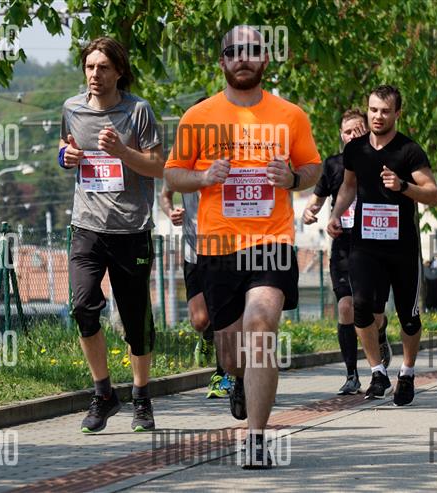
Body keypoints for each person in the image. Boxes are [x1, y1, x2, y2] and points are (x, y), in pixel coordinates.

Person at [164, 25, 322, 468]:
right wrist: (202, 177)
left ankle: (255, 439)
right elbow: (172, 173)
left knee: (261, 324)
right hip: (218, 247)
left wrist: (293, 178)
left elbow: (313, 167)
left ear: (265, 59)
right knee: (232, 354)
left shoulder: (290, 115)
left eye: (252, 50)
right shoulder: (198, 116)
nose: (243, 58)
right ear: (222, 61)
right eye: (234, 51)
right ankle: (237, 380)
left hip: (272, 241)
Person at [58, 37, 165, 434]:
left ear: (119, 71)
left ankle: (141, 396)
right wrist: (65, 156)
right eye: (90, 67)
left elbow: (157, 165)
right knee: (83, 307)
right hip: (86, 227)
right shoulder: (72, 108)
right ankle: (103, 393)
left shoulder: (138, 111)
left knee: (136, 322)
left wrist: (122, 152)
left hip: (131, 229)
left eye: (103, 67)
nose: (95, 74)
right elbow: (65, 146)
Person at [327, 85, 437, 406]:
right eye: (373, 110)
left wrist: (403, 186)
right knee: (360, 307)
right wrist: (335, 214)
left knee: (409, 318)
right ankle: (377, 372)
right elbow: (348, 186)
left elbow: (433, 194)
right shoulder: (355, 150)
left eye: (385, 111)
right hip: (365, 245)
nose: (378, 116)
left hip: (402, 247)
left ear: (397, 114)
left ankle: (407, 372)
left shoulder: (409, 151)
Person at [303, 109, 391, 396]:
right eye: (348, 131)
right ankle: (352, 375)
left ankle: (380, 332)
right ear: (341, 136)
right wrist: (309, 213)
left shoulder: (380, 161)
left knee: (374, 315)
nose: (353, 135)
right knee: (345, 307)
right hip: (343, 243)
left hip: (374, 243)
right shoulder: (332, 165)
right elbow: (316, 201)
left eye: (358, 130)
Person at [159, 181, 234, 398]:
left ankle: (223, 375)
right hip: (194, 252)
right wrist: (171, 212)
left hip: (228, 251)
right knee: (200, 321)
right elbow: (165, 195)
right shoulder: (185, 165)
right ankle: (207, 336)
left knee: (224, 316)